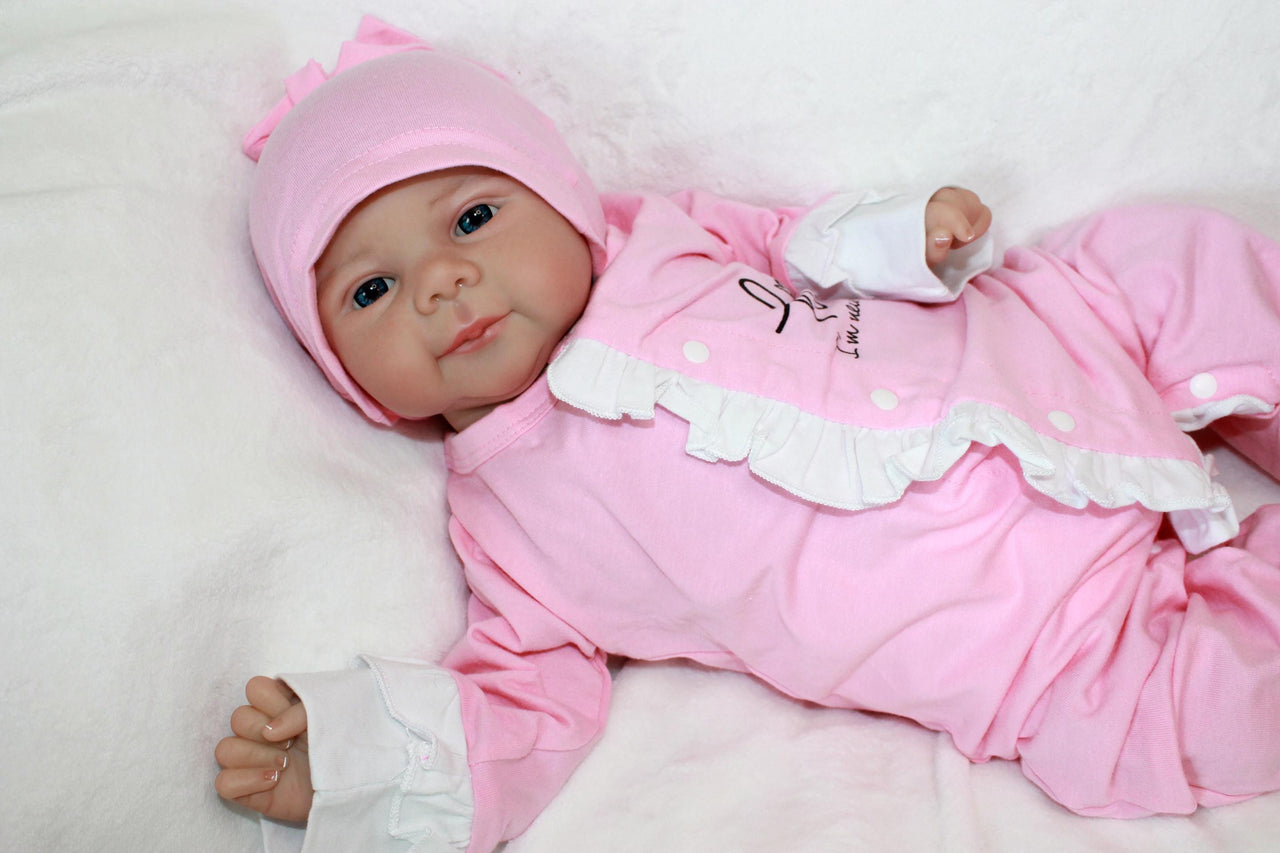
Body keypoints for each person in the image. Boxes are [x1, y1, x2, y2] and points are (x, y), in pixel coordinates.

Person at [215, 16, 1280, 853]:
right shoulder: (510, 527)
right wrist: (364, 760)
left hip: (1048, 351)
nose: (441, 282)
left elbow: (800, 243)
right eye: (370, 288)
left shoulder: (663, 240)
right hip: (1044, 648)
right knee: (1197, 719)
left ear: (566, 201)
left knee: (1161, 264)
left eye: (473, 218)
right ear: (340, 371)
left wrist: (898, 236)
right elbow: (522, 700)